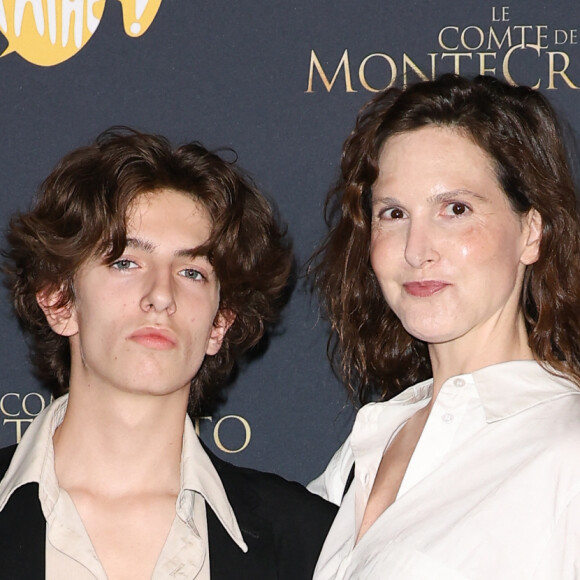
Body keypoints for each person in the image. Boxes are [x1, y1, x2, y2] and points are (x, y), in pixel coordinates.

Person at [0, 128, 336, 580]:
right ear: (59, 300)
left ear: (220, 323)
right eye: (125, 262)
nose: (161, 295)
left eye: (193, 271)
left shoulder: (311, 543)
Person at [308, 74, 580, 579]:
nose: (416, 248)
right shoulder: (368, 442)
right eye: (393, 213)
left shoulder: (569, 448)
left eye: (455, 209)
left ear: (531, 232)